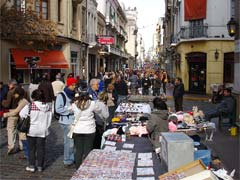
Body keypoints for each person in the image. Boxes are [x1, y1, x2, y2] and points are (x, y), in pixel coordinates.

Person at [19, 89, 52, 172]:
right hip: (43, 130)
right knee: (41, 149)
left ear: (33, 97)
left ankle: (32, 165)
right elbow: (49, 119)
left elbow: (21, 114)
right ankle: (40, 166)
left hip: (32, 130)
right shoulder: (48, 107)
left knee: (31, 149)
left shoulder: (30, 106)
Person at [70, 92, 103, 169]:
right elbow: (99, 110)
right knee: (88, 150)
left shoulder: (74, 104)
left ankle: (78, 168)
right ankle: (86, 168)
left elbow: (69, 111)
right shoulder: (92, 103)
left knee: (78, 150)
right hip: (89, 129)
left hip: (78, 129)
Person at [55, 77, 77, 167]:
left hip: (74, 121)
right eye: (73, 85)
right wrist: (70, 110)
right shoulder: (61, 95)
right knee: (69, 142)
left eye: (75, 85)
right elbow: (58, 109)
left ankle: (71, 157)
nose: (75, 86)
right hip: (66, 121)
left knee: (73, 141)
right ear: (69, 85)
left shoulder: (75, 94)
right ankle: (67, 160)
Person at [3, 87, 29, 155]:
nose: (14, 95)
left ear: (18, 94)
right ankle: (21, 146)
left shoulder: (23, 101)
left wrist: (5, 114)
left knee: (11, 130)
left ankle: (12, 146)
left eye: (15, 94)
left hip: (21, 118)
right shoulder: (22, 100)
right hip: (21, 117)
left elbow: (16, 111)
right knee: (20, 131)